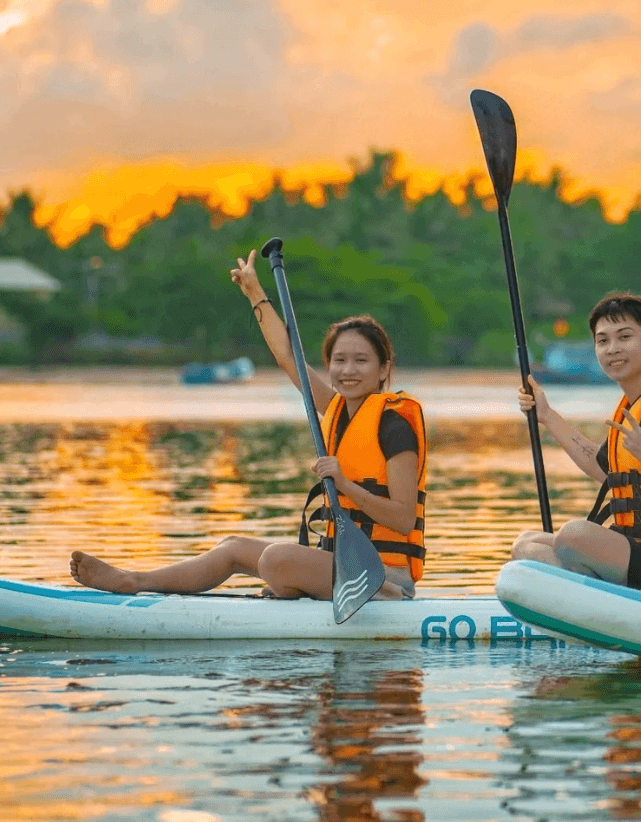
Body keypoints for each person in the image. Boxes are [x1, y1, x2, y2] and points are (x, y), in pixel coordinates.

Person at [69, 248, 427, 601]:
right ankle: (133, 581)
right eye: (339, 360)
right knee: (232, 547)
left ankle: (342, 590)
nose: (348, 370)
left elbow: (402, 519)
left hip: (381, 573)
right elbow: (287, 356)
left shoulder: (395, 426)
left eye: (361, 361)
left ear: (383, 368)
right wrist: (255, 292)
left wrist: (345, 484)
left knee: (275, 559)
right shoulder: (336, 411)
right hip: (340, 563)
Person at [510, 291, 641, 596]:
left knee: (573, 536)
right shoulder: (635, 407)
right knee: (526, 546)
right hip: (634, 553)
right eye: (603, 341)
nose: (613, 349)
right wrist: (546, 415)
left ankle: (591, 597)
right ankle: (595, 602)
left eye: (624, 337)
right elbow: (600, 467)